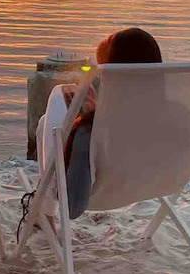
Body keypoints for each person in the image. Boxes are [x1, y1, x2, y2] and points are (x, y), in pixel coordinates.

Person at [61, 28, 162, 219]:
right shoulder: (176, 117)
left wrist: (90, 118)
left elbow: (72, 207)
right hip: (154, 187)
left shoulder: (90, 133)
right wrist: (98, 110)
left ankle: (44, 217)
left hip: (100, 196)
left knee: (45, 124)